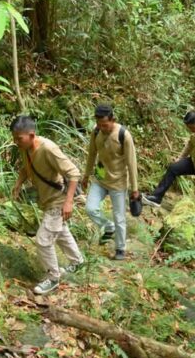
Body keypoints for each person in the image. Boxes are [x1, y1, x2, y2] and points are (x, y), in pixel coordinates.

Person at [10, 115, 84, 295]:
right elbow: (26, 168)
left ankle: (53, 278)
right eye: (14, 138)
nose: (16, 142)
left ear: (32, 135)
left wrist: (68, 202)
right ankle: (78, 262)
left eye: (18, 138)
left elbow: (74, 173)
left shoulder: (49, 149)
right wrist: (18, 184)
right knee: (60, 232)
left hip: (58, 199)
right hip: (48, 200)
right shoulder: (25, 148)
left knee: (43, 240)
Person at [82, 105, 140, 261]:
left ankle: (120, 248)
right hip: (100, 179)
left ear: (113, 120)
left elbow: (131, 163)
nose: (102, 128)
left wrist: (135, 188)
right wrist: (86, 175)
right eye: (99, 125)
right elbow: (92, 155)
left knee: (119, 217)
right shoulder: (96, 132)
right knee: (90, 208)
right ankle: (108, 226)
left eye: (105, 125)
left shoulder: (123, 135)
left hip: (118, 182)